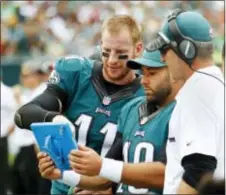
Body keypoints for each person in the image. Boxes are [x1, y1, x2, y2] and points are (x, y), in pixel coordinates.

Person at [14, 15, 144, 195]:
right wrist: (55, 118)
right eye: (106, 51)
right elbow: (23, 114)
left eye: (121, 53)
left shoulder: (145, 93)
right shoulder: (77, 73)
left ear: (137, 49)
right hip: (64, 187)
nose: (112, 60)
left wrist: (109, 188)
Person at [37, 49, 184, 194]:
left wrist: (101, 165)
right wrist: (61, 175)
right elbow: (106, 179)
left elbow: (166, 174)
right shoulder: (131, 109)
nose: (144, 80)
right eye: (143, 73)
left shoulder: (186, 113)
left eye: (152, 74)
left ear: (175, 73)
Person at [146, 9, 224, 194]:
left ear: (186, 50)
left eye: (165, 50)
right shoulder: (214, 84)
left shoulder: (198, 92)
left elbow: (199, 170)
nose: (163, 58)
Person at [10, 59, 53, 195]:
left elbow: (26, 116)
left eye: (27, 75)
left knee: (33, 186)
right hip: (23, 146)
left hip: (34, 146)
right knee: (19, 184)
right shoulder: (29, 92)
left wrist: (17, 99)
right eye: (22, 76)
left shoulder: (43, 91)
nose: (23, 79)